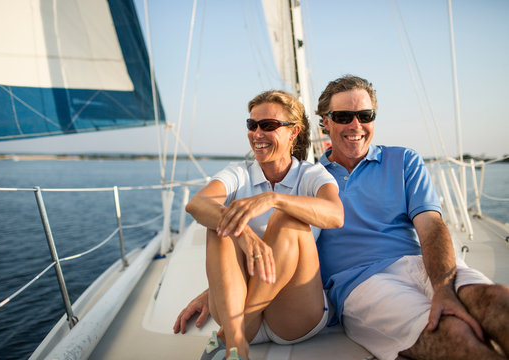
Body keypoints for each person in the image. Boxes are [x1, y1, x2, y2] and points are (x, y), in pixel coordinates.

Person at [175, 76, 509, 360]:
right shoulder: (313, 173)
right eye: (344, 116)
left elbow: (431, 225)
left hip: (419, 263)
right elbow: (284, 240)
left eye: (364, 115)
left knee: (497, 300)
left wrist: (443, 287)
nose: (355, 125)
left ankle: (232, 338)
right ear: (325, 122)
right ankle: (236, 339)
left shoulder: (403, 160)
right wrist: (215, 287)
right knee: (455, 336)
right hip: (360, 283)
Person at [180, 89, 343, 360]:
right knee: (222, 220)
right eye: (252, 125)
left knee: (289, 218)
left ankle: (230, 337)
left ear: (293, 132)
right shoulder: (238, 173)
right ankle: (237, 343)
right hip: (241, 308)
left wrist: (274, 199)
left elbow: (335, 215)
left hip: (294, 315)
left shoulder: (311, 174)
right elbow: (196, 204)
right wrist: (243, 233)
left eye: (268, 126)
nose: (257, 133)